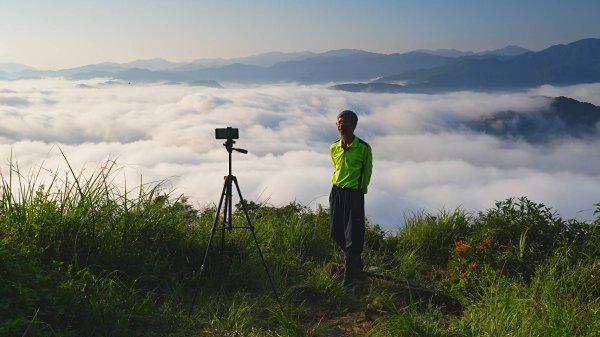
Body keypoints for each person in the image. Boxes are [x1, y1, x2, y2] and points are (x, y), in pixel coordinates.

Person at [329, 110, 373, 286]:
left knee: (353, 236)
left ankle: (348, 281)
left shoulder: (363, 148)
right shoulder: (334, 147)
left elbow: (367, 171)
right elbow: (336, 166)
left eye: (344, 122)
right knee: (335, 232)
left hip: (354, 194)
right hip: (336, 192)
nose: (341, 126)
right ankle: (355, 262)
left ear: (353, 126)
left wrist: (360, 191)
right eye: (338, 122)